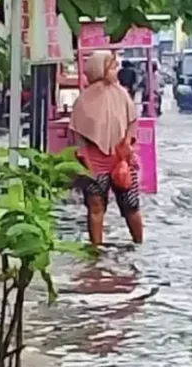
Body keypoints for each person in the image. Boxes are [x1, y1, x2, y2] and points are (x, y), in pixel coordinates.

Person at [69, 51, 143, 246]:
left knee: (131, 205)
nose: (115, 71)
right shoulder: (83, 101)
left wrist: (127, 142)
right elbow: (79, 137)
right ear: (98, 70)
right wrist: (85, 163)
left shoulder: (121, 94)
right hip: (94, 161)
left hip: (121, 159)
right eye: (111, 67)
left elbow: (132, 122)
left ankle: (139, 244)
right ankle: (96, 248)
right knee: (95, 206)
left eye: (115, 66)